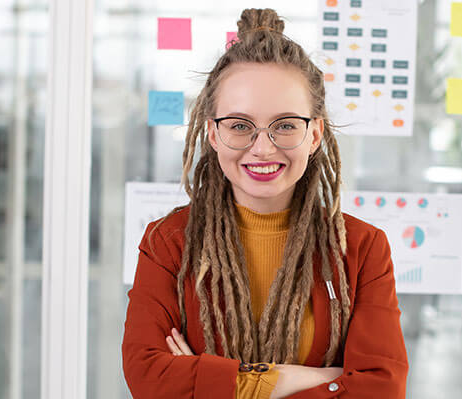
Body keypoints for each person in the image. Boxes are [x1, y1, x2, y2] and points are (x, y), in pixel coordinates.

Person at [122, 8, 408, 398]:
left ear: (315, 134)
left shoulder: (360, 248)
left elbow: (381, 388)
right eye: (240, 125)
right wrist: (299, 380)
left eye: (285, 125)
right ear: (212, 133)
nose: (262, 148)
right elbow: (149, 379)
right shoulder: (168, 242)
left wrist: (208, 380)